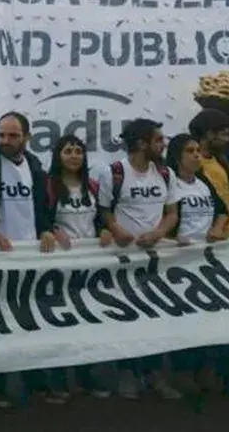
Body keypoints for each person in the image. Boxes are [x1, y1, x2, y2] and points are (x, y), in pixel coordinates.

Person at [94, 118, 181, 400]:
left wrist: (158, 234)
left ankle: (155, 375)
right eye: (158, 140)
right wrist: (117, 229)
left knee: (158, 317)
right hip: (125, 262)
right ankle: (127, 374)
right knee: (128, 318)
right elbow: (104, 211)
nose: (163, 144)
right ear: (142, 143)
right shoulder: (113, 172)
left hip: (157, 262)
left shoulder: (166, 174)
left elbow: (172, 213)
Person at [0, 111, 51, 406]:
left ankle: (35, 383)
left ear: (27, 138)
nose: (5, 141)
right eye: (1, 135)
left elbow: (41, 207)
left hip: (30, 257)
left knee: (32, 322)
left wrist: (45, 229)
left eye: (12, 136)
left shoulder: (34, 166)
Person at [44, 135, 109, 398]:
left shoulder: (92, 186)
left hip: (89, 265)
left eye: (78, 151)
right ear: (58, 156)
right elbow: (40, 218)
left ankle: (86, 376)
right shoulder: (48, 186)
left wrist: (105, 230)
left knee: (87, 321)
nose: (73, 156)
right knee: (60, 321)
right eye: (68, 151)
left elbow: (104, 216)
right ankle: (58, 379)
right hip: (58, 266)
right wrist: (51, 230)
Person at [166, 132, 229, 396]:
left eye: (197, 150)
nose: (196, 155)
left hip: (207, 264)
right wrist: (172, 239)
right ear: (178, 156)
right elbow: (164, 217)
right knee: (183, 321)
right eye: (190, 151)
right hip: (179, 266)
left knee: (211, 318)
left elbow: (222, 210)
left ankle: (206, 371)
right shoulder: (169, 182)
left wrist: (216, 228)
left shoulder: (203, 181)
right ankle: (181, 374)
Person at [189, 108, 229, 205]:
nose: (227, 140)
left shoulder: (220, 161)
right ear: (209, 134)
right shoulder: (191, 166)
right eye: (225, 134)